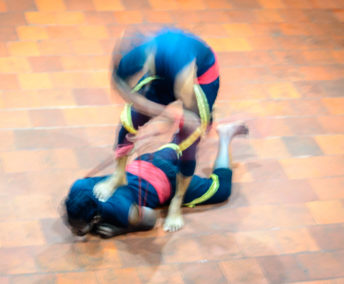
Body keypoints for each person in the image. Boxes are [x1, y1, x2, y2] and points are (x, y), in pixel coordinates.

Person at [93, 27, 220, 232]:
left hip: (199, 76)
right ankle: (118, 175)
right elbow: (120, 87)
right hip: (167, 75)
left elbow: (186, 112)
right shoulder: (135, 57)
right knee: (129, 120)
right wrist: (155, 110)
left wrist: (176, 119)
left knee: (189, 142)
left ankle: (177, 203)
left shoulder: (179, 66)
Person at [64, 122, 248, 238]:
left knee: (221, 190)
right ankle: (197, 120)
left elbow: (150, 219)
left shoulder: (120, 210)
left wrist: (123, 229)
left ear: (96, 217)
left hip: (170, 182)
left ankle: (225, 137)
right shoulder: (78, 187)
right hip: (146, 163)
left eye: (80, 227)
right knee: (180, 144)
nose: (74, 230)